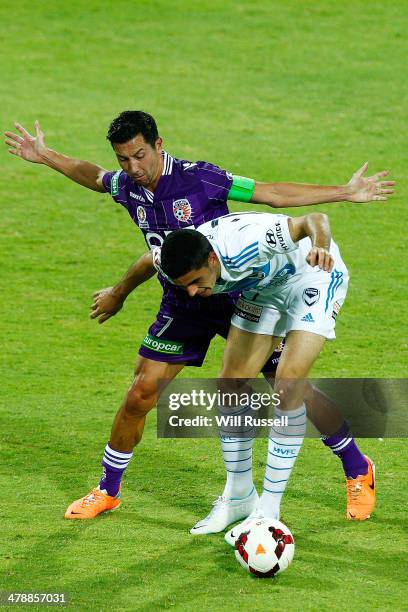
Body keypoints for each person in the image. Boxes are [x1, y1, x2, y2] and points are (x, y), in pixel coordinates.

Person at [5, 111, 390, 526]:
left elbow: (270, 193)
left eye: (139, 156)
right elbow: (97, 179)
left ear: (159, 144)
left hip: (237, 295)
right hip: (183, 302)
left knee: (291, 387)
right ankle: (107, 490)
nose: (133, 168)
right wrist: (46, 156)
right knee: (141, 393)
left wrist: (343, 192)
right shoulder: (128, 186)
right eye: (123, 159)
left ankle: (355, 466)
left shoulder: (200, 178)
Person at [158, 210, 376, 542]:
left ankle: (269, 510)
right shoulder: (174, 257)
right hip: (265, 291)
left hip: (311, 277)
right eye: (182, 285)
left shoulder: (248, 243)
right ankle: (238, 497)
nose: (190, 291)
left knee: (288, 385)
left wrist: (321, 246)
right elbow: (149, 259)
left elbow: (313, 219)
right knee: (230, 385)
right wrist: (118, 292)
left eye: (195, 281)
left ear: (213, 259)